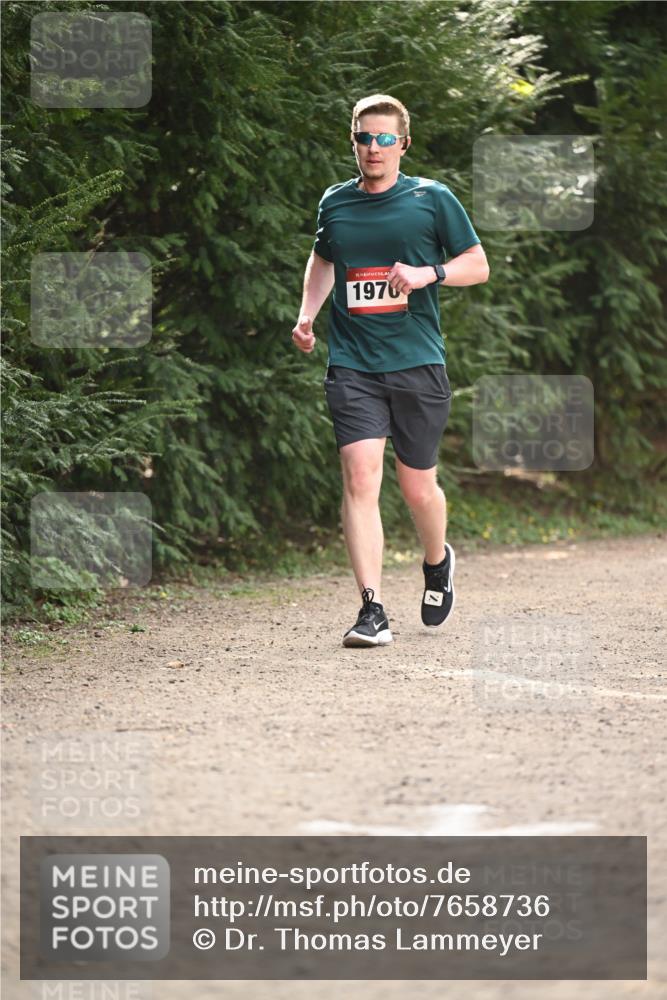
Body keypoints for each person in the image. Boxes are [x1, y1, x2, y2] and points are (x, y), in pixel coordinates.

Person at [292, 94, 489, 647]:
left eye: (384, 139)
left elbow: (478, 265)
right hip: (352, 362)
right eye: (363, 138)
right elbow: (325, 259)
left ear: (403, 143)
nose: (373, 148)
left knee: (417, 487)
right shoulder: (335, 203)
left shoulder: (432, 198)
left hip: (418, 361)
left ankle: (436, 561)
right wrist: (307, 315)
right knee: (359, 478)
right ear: (352, 141)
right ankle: (371, 610)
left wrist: (430, 273)